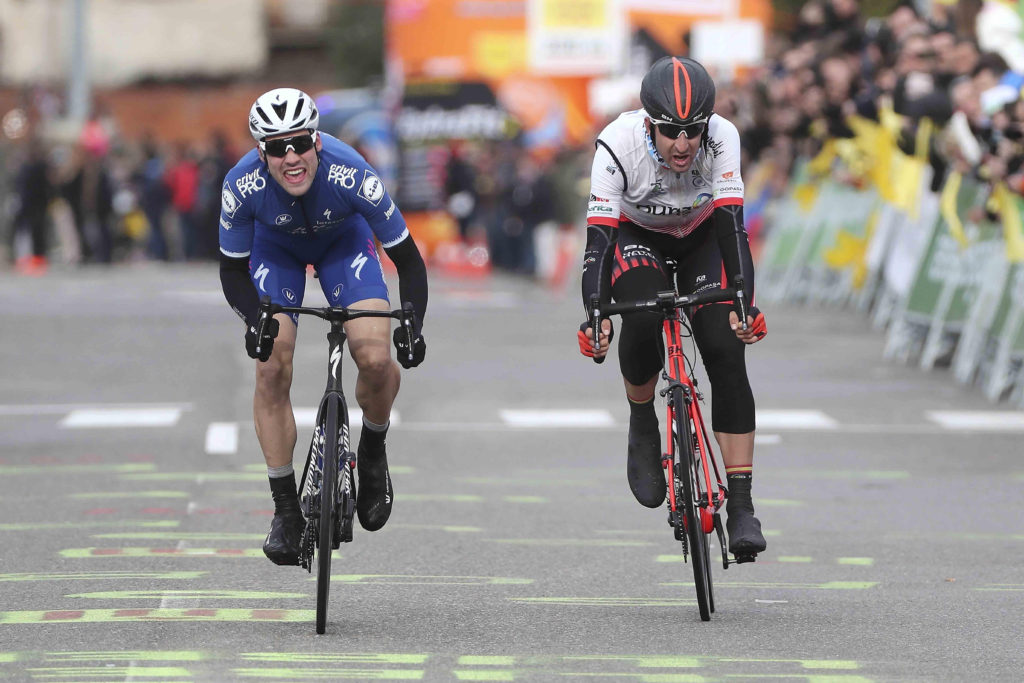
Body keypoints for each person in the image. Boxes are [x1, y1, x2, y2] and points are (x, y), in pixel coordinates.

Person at [218, 88, 428, 565]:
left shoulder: (352, 171)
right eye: (276, 147)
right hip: (276, 253)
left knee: (374, 356)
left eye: (300, 143)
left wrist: (413, 323)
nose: (290, 157)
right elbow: (232, 270)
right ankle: (286, 511)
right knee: (271, 365)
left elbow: (408, 260)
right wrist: (255, 321)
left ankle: (372, 451)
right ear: (260, 153)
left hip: (344, 246)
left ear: (317, 140)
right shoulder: (241, 185)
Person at [577, 57, 768, 558]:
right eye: (670, 132)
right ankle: (643, 420)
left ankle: (743, 505)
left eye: (692, 131)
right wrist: (594, 315)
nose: (683, 144)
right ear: (648, 123)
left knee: (726, 349)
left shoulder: (724, 136)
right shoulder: (615, 146)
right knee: (640, 314)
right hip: (638, 236)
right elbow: (598, 243)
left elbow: (732, 227)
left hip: (703, 235)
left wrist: (744, 303)